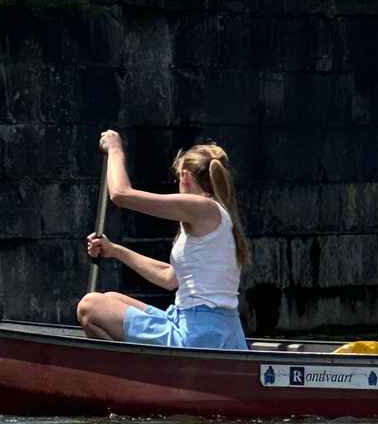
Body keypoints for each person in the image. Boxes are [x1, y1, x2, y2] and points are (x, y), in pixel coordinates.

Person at [76, 132, 250, 350]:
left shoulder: (204, 208)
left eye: (178, 179)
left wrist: (115, 148)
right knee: (110, 298)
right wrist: (115, 251)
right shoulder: (214, 216)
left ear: (185, 176)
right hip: (203, 326)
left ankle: (135, 377)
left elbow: (121, 194)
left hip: (198, 334)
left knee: (89, 306)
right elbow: (170, 278)